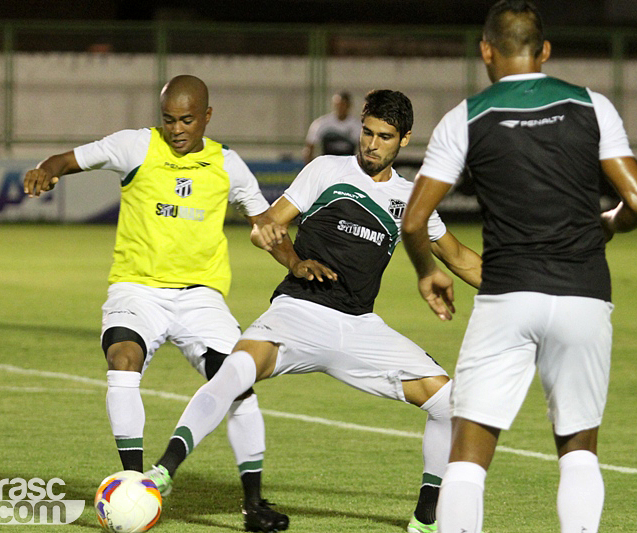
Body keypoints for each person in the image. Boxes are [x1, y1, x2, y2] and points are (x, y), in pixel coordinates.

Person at [145, 89, 482, 533]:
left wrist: (524, 291)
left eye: (384, 136)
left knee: (450, 404)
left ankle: (424, 518)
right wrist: (285, 252)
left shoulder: (410, 197)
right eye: (367, 132)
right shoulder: (327, 169)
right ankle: (163, 471)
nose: (371, 144)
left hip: (361, 328)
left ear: (404, 140)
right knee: (234, 371)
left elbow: (458, 258)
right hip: (298, 312)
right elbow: (270, 224)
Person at [400, 2, 637, 532]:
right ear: (544, 52)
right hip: (584, 293)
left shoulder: (464, 118)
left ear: (486, 50)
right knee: (579, 448)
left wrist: (429, 271)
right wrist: (607, 222)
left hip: (508, 298)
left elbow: (414, 220)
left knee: (468, 459)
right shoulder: (592, 106)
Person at [23, 74, 289, 532]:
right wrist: (45, 170)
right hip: (137, 290)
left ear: (207, 116)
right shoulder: (135, 147)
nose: (177, 129)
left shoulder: (228, 164)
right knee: (122, 358)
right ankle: (132, 482)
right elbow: (66, 160)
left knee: (239, 384)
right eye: (168, 120)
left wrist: (296, 262)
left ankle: (253, 504)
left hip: (201, 298)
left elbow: (265, 223)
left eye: (187, 120)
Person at [303, 91, 362, 164]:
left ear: (349, 106)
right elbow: (309, 147)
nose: (340, 108)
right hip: (327, 164)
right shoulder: (321, 123)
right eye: (338, 105)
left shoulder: (357, 125)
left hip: (348, 164)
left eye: (343, 105)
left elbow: (363, 148)